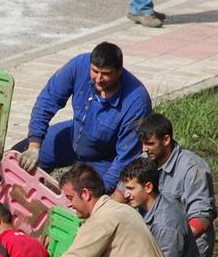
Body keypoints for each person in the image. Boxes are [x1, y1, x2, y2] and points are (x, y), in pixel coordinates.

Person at [14, 42, 152, 194]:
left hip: (104, 158)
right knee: (19, 159)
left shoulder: (136, 103)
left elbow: (126, 157)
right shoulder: (79, 65)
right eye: (94, 71)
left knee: (84, 198)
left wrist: (101, 192)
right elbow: (47, 100)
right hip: (74, 134)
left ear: (119, 71)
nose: (98, 79)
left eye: (105, 74)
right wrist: (35, 145)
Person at [137, 112, 217, 257]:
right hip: (156, 243)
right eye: (142, 144)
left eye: (150, 144)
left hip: (188, 249)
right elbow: (125, 191)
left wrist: (172, 242)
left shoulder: (192, 169)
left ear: (166, 140)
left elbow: (202, 217)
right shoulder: (145, 160)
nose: (144, 149)